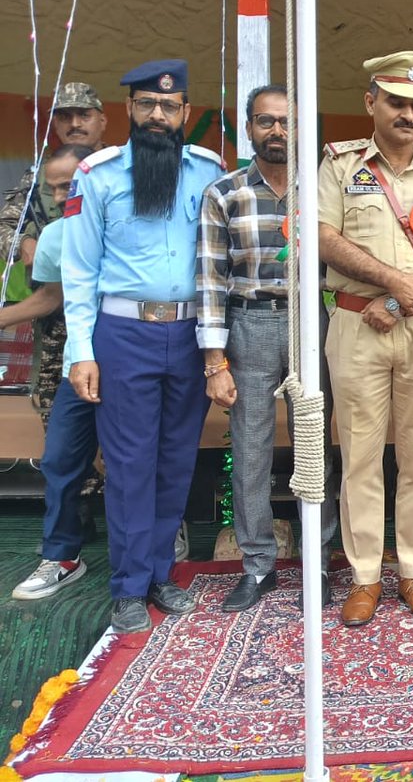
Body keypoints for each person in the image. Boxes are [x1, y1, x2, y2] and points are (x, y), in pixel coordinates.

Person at [62, 59, 225, 634]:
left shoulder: (208, 170)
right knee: (130, 465)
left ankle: (160, 574)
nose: (158, 115)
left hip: (188, 335)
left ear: (185, 112)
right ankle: (127, 588)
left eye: (170, 106)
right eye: (146, 105)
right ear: (127, 110)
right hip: (123, 334)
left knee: (177, 460)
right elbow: (79, 271)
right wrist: (80, 350)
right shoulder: (97, 175)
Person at [318, 51, 413, 627]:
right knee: (358, 457)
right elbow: (323, 236)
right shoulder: (338, 165)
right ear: (371, 103)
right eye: (397, 102)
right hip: (357, 324)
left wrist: (400, 296)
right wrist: (389, 284)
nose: (408, 113)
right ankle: (363, 577)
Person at [196, 85, 341, 612]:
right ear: (249, 128)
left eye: (287, 121)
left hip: (312, 324)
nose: (278, 131)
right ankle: (257, 566)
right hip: (250, 324)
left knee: (314, 447)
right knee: (250, 451)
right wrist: (215, 361)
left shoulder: (323, 191)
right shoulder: (224, 193)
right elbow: (210, 281)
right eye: (266, 121)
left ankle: (318, 562)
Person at [5, 145, 100, 601]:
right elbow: (49, 297)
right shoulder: (56, 236)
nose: (64, 195)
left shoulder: (122, 224)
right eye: (55, 186)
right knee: (62, 459)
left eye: (71, 184)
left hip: (133, 360)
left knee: (139, 460)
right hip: (75, 366)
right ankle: (61, 556)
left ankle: (158, 544)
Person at [1, 83, 108, 423]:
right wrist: (24, 245)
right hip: (56, 322)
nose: (74, 123)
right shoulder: (39, 176)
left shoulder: (121, 167)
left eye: (83, 114)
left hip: (113, 317)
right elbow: (6, 224)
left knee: (114, 420)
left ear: (102, 120)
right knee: (58, 417)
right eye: (64, 116)